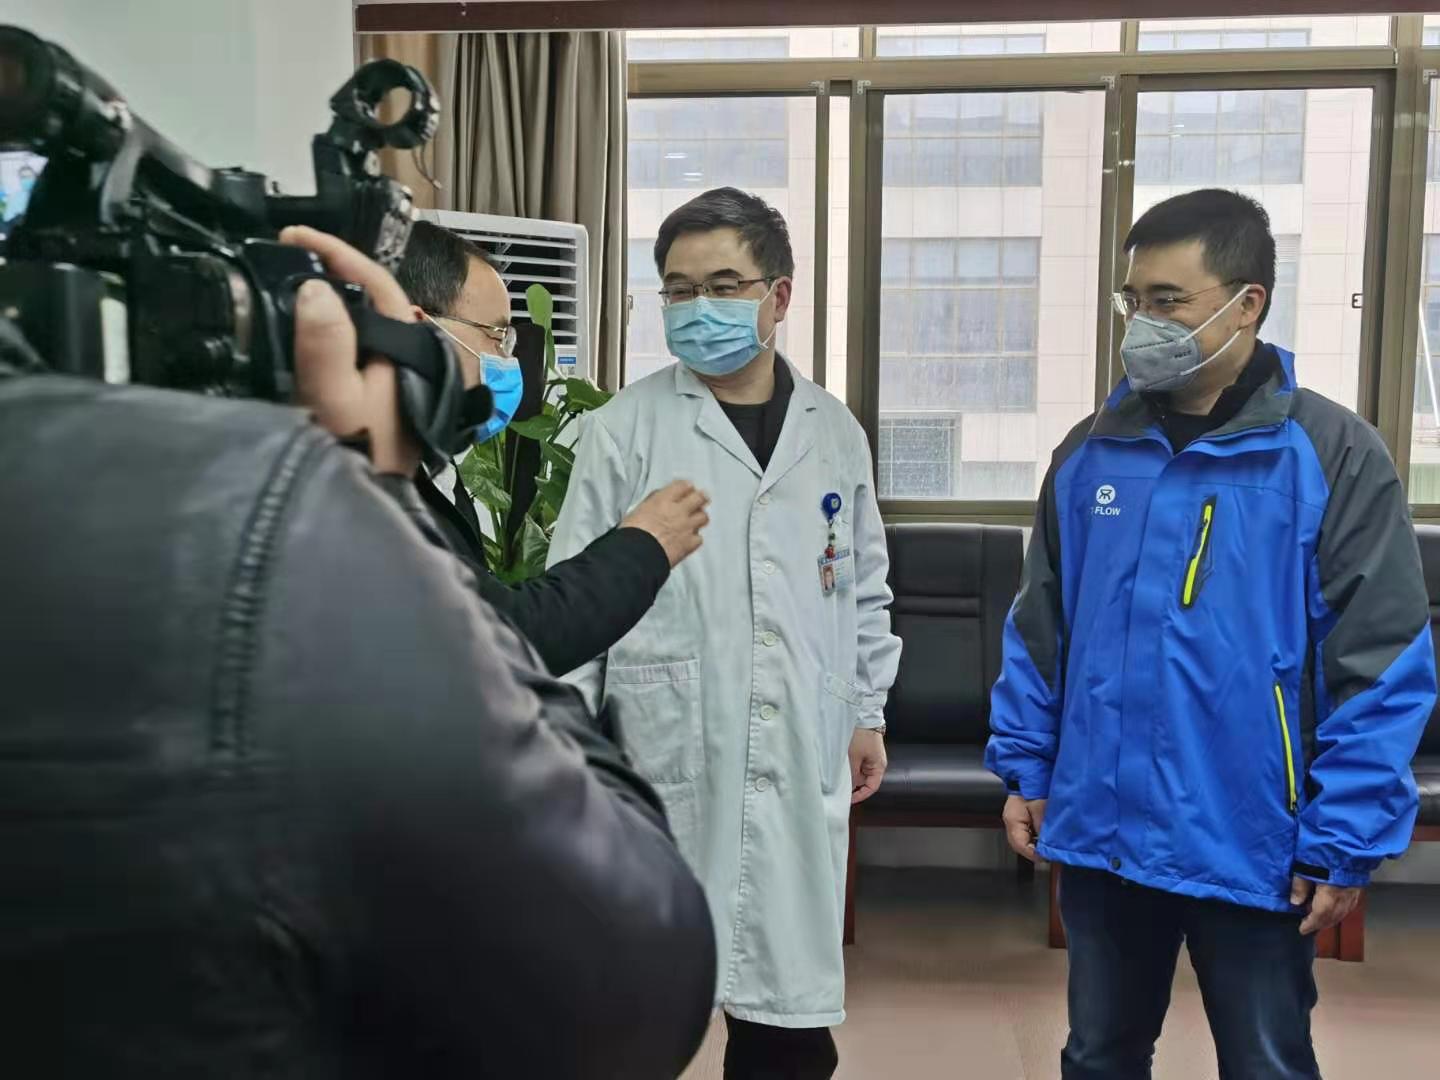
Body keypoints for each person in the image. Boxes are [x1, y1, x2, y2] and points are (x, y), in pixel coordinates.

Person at [0, 225, 717, 1078]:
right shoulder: (302, 533)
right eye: (494, 336)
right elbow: (640, 970)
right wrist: (375, 483)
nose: (507, 361)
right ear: (408, 334)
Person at [987, 188, 1436, 1079]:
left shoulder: (1331, 453)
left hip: (1256, 841)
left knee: (1267, 1062)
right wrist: (1028, 770)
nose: (1142, 324)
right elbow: (1042, 629)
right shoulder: (1091, 450)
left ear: (1247, 304)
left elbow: (1380, 663)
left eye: (1168, 301)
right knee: (1099, 1056)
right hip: (1106, 830)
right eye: (1133, 300)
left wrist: (1345, 836)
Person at [549, 187, 902, 1080]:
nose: (697, 306)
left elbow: (861, 586)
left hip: (800, 743)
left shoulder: (834, 432)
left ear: (778, 296)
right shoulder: (623, 429)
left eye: (722, 285)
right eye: (678, 289)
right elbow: (574, 604)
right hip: (662, 748)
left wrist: (867, 709)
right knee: (635, 1010)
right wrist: (569, 757)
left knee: (787, 1026)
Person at [395, 220, 709, 675]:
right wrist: (646, 543)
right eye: (496, 336)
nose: (507, 361)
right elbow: (511, 639)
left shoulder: (429, 471)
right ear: (418, 333)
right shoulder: (365, 491)